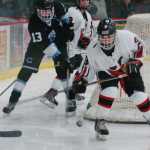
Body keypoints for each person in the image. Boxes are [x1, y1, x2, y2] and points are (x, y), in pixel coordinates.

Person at [2, 0, 75, 114]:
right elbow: (44, 45)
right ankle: (12, 101)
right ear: (37, 10)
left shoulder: (58, 6)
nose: (46, 15)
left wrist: (69, 29)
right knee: (25, 71)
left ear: (52, 8)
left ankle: (71, 99)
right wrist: (61, 58)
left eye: (48, 11)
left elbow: (67, 20)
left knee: (63, 70)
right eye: (42, 12)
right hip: (39, 44)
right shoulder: (34, 22)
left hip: (58, 39)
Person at [85, 17, 150, 140]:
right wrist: (82, 81)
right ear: (98, 36)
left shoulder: (126, 37)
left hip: (127, 68)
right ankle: (100, 121)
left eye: (109, 36)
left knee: (139, 96)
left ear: (115, 35)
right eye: (103, 37)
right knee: (110, 91)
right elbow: (87, 70)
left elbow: (142, 48)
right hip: (107, 71)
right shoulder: (92, 49)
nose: (106, 40)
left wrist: (135, 62)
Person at [42, 0, 95, 116]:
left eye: (86, 0)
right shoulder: (71, 11)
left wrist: (86, 40)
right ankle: (51, 94)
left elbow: (88, 32)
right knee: (66, 70)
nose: (84, 2)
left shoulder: (88, 15)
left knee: (80, 70)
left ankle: (71, 92)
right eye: (82, 0)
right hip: (69, 48)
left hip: (79, 50)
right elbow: (64, 27)